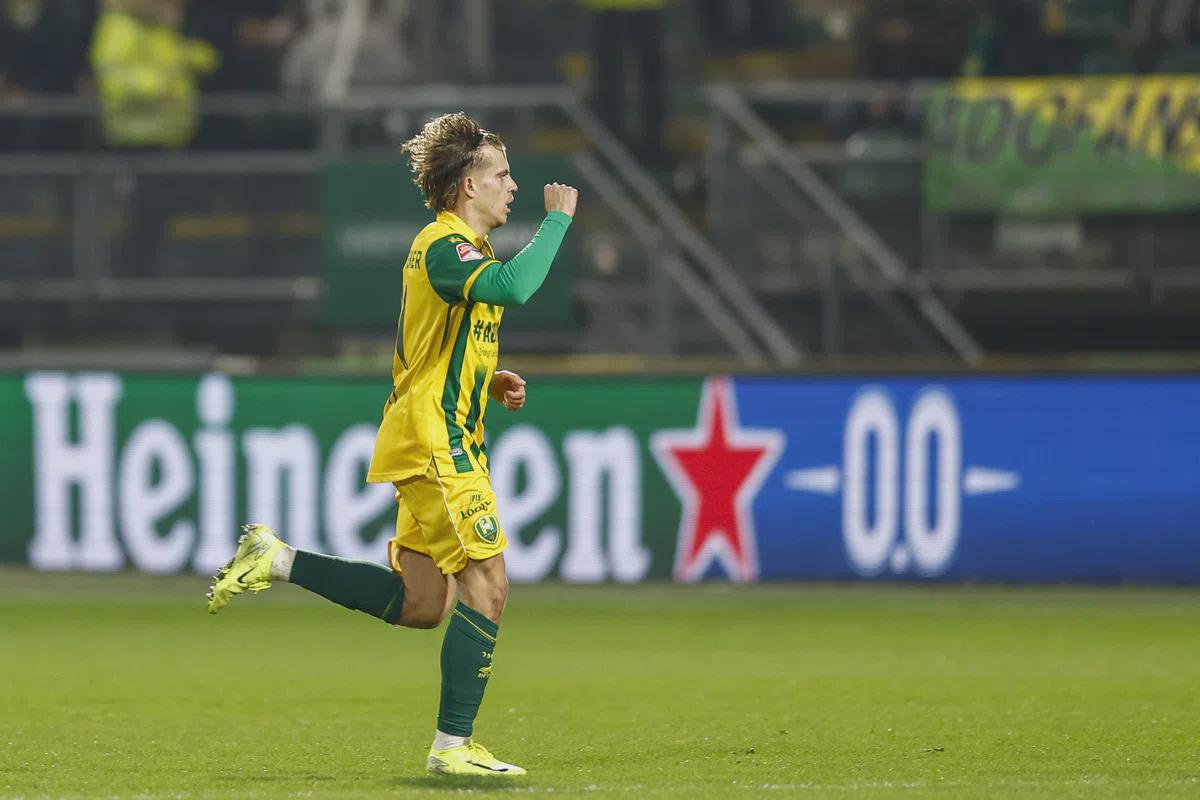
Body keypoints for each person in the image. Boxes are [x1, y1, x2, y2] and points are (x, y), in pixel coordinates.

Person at [206, 112, 579, 779]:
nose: (514, 186)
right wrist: (557, 222)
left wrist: (487, 378)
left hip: (435, 434)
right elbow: (516, 287)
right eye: (502, 174)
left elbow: (438, 343)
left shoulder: (463, 250)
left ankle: (277, 558)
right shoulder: (443, 245)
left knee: (422, 603)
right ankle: (452, 747)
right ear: (469, 185)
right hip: (437, 443)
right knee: (488, 585)